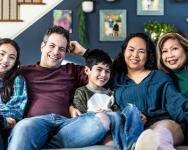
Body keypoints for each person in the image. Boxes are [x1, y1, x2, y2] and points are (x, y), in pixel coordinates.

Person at [7, 26, 111, 150]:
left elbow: (110, 70)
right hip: (34, 124)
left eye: (62, 49)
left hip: (66, 126)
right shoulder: (23, 72)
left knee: (102, 121)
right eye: (52, 46)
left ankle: (45, 144)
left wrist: (83, 52)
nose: (56, 52)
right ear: (42, 46)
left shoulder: (72, 70)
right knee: (24, 127)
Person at [111, 33, 188, 150]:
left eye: (141, 51)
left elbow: (176, 103)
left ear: (148, 55)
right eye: (131, 50)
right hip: (131, 128)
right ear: (124, 52)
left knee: (155, 136)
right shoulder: (115, 79)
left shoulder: (160, 77)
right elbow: (93, 72)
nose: (135, 55)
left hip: (163, 122)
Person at [72, 48, 144, 150]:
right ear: (87, 70)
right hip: (98, 129)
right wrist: (97, 115)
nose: (103, 75)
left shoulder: (110, 92)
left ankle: (134, 143)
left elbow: (117, 113)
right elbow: (80, 120)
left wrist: (135, 116)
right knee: (111, 123)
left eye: (107, 71)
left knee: (132, 109)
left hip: (115, 128)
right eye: (99, 69)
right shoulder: (81, 92)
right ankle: (129, 146)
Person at [156, 32, 188, 143]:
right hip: (171, 130)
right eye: (164, 51)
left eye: (174, 49)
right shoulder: (161, 78)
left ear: (185, 49)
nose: (169, 55)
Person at [0, 38, 28, 149]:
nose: (6, 60)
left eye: (12, 57)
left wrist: (2, 119)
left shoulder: (18, 80)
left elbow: (16, 110)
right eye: (2, 54)